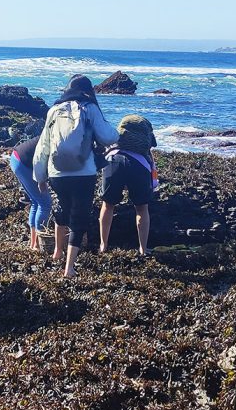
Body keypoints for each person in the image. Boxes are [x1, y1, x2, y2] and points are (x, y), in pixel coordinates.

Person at [33, 74, 119, 277]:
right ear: (88, 90)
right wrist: (118, 134)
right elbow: (108, 137)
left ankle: (57, 253)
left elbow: (43, 146)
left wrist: (40, 177)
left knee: (62, 209)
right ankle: (69, 268)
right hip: (84, 173)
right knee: (79, 218)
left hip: (57, 174)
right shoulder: (90, 108)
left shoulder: (54, 110)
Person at [98, 115, 158, 256]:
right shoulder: (145, 145)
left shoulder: (116, 140)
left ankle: (103, 245)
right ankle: (143, 249)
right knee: (142, 208)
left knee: (108, 205)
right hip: (139, 164)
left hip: (113, 161)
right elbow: (151, 151)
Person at [9, 136, 53, 250]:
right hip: (24, 163)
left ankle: (33, 243)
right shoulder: (55, 139)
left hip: (16, 158)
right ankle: (38, 245)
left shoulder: (54, 131)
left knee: (36, 202)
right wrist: (41, 180)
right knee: (45, 203)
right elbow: (40, 158)